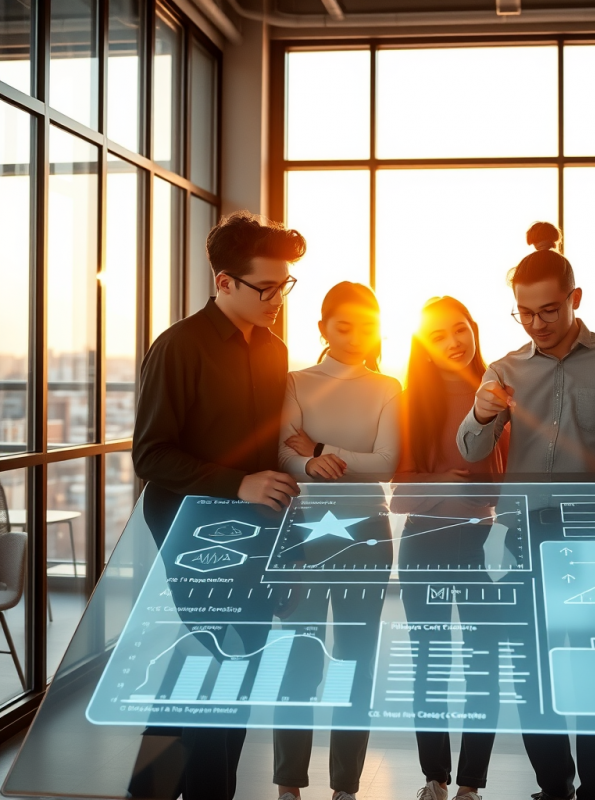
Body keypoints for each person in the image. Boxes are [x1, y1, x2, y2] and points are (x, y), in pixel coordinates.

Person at [456, 221, 595, 800]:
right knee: (531, 675)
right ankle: (555, 788)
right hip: (525, 537)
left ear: (575, 300)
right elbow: (468, 451)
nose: (537, 325)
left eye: (548, 311)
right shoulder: (504, 370)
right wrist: (483, 413)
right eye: (524, 313)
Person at [131, 211, 306, 800]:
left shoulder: (275, 348)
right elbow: (151, 456)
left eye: (285, 285)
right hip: (191, 525)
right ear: (224, 282)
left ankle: (149, 789)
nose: (278, 297)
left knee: (237, 663)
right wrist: (238, 485)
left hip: (256, 524)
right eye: (267, 287)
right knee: (218, 661)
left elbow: (272, 452)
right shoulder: (178, 347)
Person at [273, 281, 402, 800]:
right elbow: (285, 452)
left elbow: (387, 464)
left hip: (367, 534)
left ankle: (345, 788)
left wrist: (321, 450)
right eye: (342, 325)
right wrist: (306, 461)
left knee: (355, 659)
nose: (354, 336)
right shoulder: (295, 381)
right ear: (322, 326)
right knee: (298, 657)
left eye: (366, 325)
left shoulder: (389, 386)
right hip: (301, 531)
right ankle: (288, 785)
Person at [391, 296, 508, 800]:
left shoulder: (500, 393)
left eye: (459, 329)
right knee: (429, 663)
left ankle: (471, 786)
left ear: (474, 329)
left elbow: (497, 488)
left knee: (485, 664)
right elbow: (401, 491)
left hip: (482, 543)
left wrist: (441, 485)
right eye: (437, 336)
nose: (453, 343)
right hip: (422, 541)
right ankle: (434, 779)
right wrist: (446, 481)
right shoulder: (408, 399)